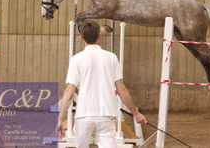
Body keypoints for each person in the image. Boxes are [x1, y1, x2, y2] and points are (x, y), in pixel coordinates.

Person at [58, 20, 147, 148]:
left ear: (81, 38)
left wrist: (60, 120)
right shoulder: (111, 57)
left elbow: (69, 92)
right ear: (99, 36)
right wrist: (136, 114)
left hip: (83, 116)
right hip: (106, 115)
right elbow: (121, 89)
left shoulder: (76, 59)